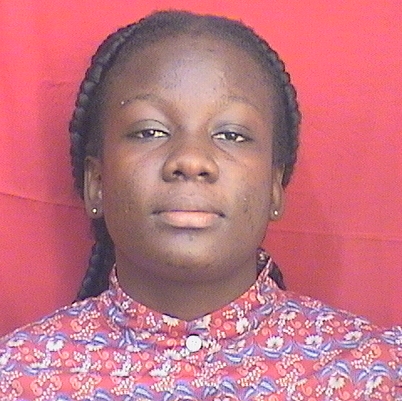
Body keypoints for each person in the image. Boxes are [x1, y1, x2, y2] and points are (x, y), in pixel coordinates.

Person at [0, 10, 400, 401]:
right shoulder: (19, 377)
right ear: (97, 183)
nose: (191, 160)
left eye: (231, 135)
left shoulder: (374, 374)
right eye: (150, 131)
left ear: (275, 188)